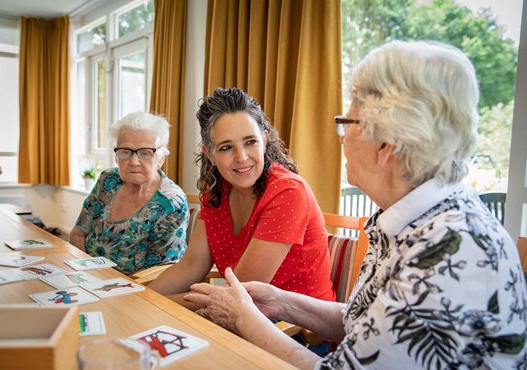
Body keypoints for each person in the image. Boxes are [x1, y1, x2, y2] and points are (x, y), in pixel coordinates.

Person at [184, 41, 527, 369]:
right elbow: (364, 320)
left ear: (386, 146)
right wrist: (282, 301)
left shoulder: (452, 253)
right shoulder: (409, 219)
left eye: (347, 123)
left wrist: (245, 317)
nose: (342, 137)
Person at [149, 87, 335, 309]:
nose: (242, 158)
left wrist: (155, 306)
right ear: (209, 153)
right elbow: (190, 266)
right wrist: (141, 299)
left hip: (297, 330)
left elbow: (241, 295)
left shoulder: (288, 192)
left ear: (265, 140)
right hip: (241, 318)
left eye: (250, 142)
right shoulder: (217, 191)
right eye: (226, 147)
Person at [70, 112, 189, 275]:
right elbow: (78, 233)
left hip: (135, 290)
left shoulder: (171, 203)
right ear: (116, 157)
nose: (133, 162)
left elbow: (158, 273)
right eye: (125, 152)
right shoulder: (108, 180)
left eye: (145, 152)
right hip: (86, 277)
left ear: (161, 158)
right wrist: (85, 274)